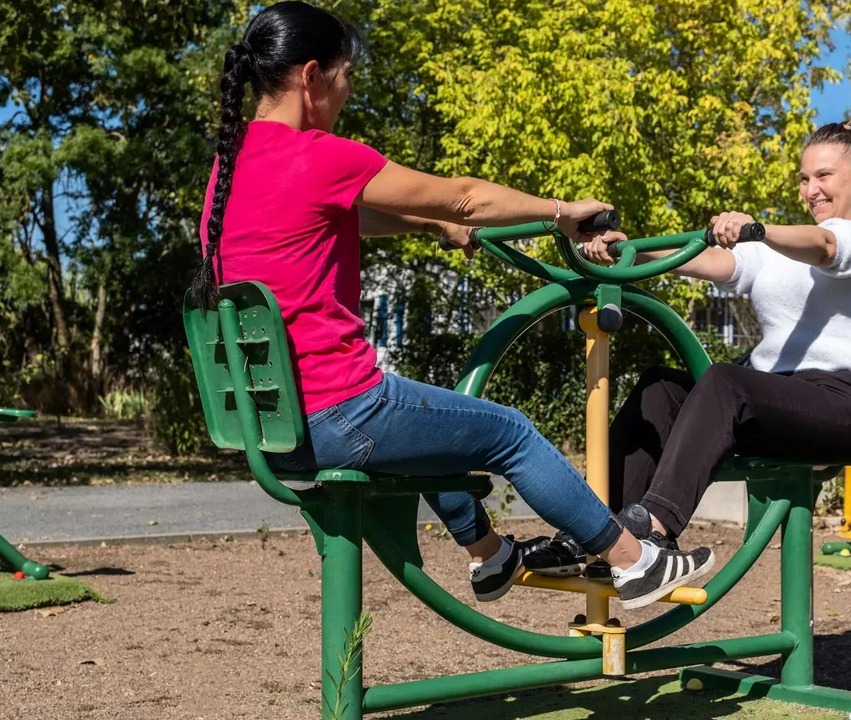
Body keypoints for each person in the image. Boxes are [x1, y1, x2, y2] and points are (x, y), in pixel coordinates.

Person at [187, 1, 714, 610]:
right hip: (340, 415)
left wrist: (426, 226)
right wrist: (562, 212)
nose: (348, 95)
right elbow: (464, 198)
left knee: (439, 419)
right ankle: (636, 562)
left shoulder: (230, 169)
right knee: (510, 432)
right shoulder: (323, 156)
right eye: (347, 78)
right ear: (312, 77)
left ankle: (488, 554)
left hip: (273, 430)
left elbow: (353, 215)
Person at [525, 119, 851, 576]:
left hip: (848, 402)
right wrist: (631, 250)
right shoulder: (778, 250)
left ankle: (654, 533)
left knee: (726, 381)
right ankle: (591, 530)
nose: (811, 189)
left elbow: (827, 247)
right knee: (660, 386)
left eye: (824, 176)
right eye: (804, 179)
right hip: (774, 399)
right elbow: (711, 260)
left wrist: (758, 229)